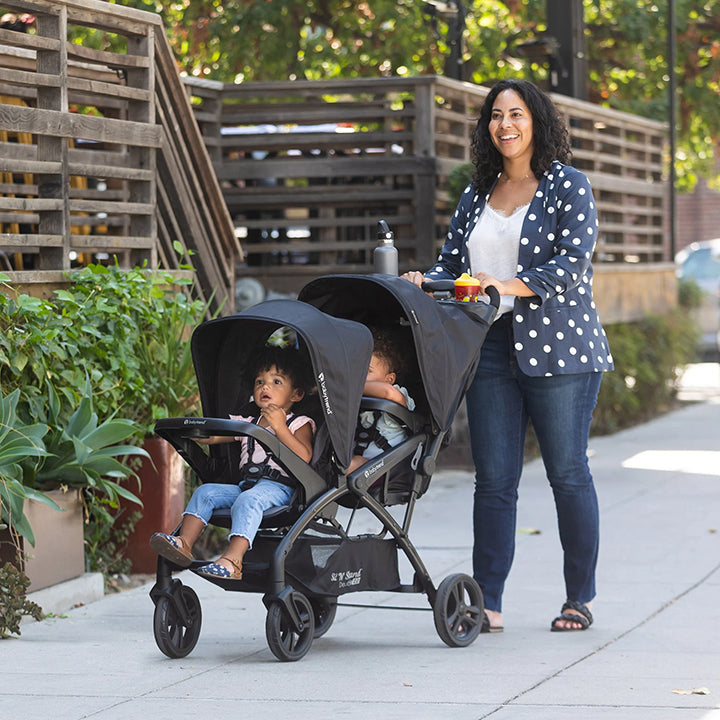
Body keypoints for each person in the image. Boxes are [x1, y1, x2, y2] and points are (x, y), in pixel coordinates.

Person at [403, 79, 613, 632]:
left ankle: (578, 599)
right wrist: (430, 280)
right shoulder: (478, 193)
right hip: (490, 345)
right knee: (493, 480)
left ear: (536, 121)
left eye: (516, 114)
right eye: (496, 116)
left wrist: (508, 285)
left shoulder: (568, 185)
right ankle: (487, 601)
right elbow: (455, 264)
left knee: (567, 474)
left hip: (562, 349)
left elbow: (572, 265)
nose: (505, 125)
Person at [149, 346, 314, 580]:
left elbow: (304, 456)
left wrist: (280, 428)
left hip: (280, 488)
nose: (265, 386)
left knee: (249, 499)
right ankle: (183, 544)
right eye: (259, 382)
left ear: (296, 394)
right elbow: (217, 434)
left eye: (276, 381)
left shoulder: (299, 422)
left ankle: (233, 560)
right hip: (246, 485)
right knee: (206, 492)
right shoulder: (248, 421)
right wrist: (198, 433)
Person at [348, 327, 415, 474]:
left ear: (389, 379)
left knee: (346, 468)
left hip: (385, 468)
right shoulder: (357, 397)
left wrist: (348, 387)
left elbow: (387, 392)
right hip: (362, 465)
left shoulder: (397, 392)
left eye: (367, 371)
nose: (359, 375)